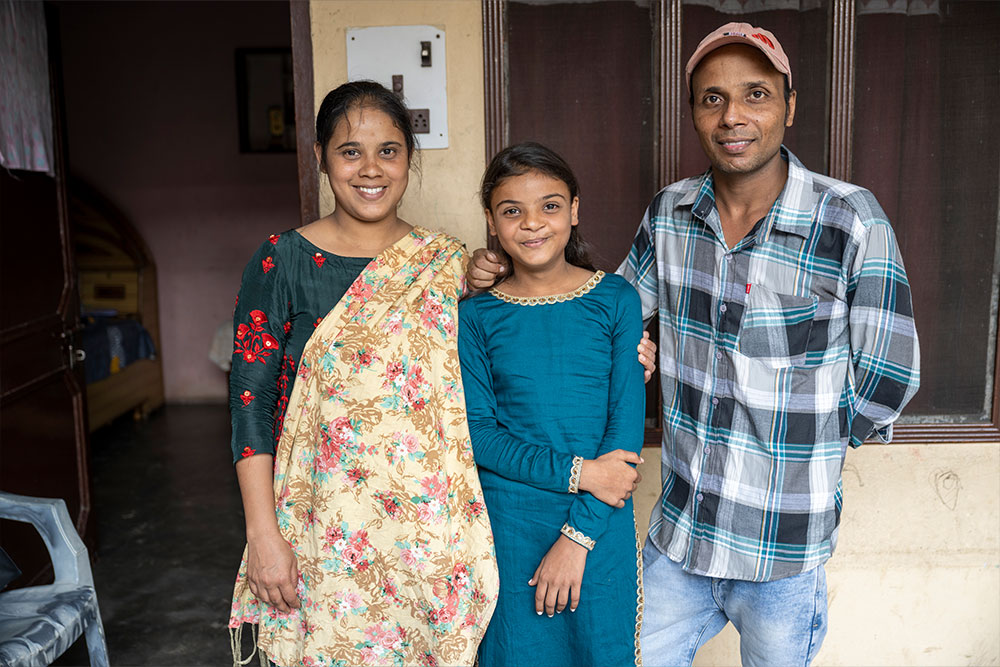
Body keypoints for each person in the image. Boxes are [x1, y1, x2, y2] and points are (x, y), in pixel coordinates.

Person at [468, 23, 920, 667]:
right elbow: (598, 316)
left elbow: (888, 377)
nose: (733, 115)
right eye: (713, 99)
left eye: (755, 95)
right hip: (680, 534)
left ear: (790, 106)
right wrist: (494, 275)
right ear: (695, 115)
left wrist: (799, 454)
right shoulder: (670, 213)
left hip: (781, 546)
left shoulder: (849, 219)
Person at [226, 80, 500, 667]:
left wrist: (624, 348)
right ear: (321, 157)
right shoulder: (281, 261)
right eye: (350, 151)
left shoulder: (448, 264)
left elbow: (519, 350)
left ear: (408, 159)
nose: (370, 169)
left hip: (426, 537)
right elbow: (249, 407)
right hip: (320, 532)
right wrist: (263, 536)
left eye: (389, 150)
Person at [458, 142, 646, 667]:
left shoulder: (616, 300)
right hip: (508, 527)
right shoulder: (475, 317)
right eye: (511, 210)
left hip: (598, 526)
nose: (532, 223)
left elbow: (623, 438)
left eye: (550, 205)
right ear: (492, 223)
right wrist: (580, 472)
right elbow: (482, 436)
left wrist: (577, 537)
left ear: (575, 210)